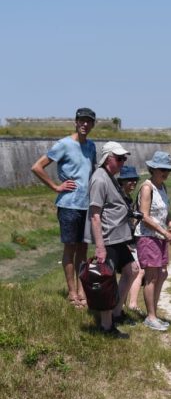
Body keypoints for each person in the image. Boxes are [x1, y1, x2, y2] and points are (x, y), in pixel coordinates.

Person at [31, 108, 97, 309]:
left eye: (89, 121)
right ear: (75, 122)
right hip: (68, 204)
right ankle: (71, 292)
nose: (85, 124)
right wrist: (55, 186)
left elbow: (92, 172)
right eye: (82, 120)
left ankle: (83, 290)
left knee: (83, 249)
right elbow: (37, 167)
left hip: (86, 205)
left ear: (93, 124)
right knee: (70, 248)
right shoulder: (64, 144)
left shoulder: (92, 146)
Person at [84, 141, 140, 335]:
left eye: (124, 158)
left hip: (119, 237)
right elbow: (95, 214)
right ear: (109, 159)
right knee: (107, 281)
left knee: (132, 269)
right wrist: (100, 246)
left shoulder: (109, 177)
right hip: (108, 239)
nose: (123, 162)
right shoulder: (99, 179)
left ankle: (116, 312)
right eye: (120, 158)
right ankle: (106, 325)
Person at [134, 151, 171, 331]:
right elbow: (144, 216)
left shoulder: (162, 187)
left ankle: (154, 313)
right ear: (153, 169)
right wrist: (163, 232)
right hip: (148, 236)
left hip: (160, 237)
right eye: (161, 169)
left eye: (167, 169)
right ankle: (150, 316)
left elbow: (166, 212)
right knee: (151, 277)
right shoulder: (147, 187)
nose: (165, 172)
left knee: (161, 275)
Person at [117, 165, 145, 314]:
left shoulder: (126, 197)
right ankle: (122, 306)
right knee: (133, 271)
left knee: (135, 271)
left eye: (135, 180)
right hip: (123, 240)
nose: (133, 183)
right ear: (122, 181)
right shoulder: (120, 198)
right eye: (130, 180)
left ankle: (125, 305)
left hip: (129, 238)